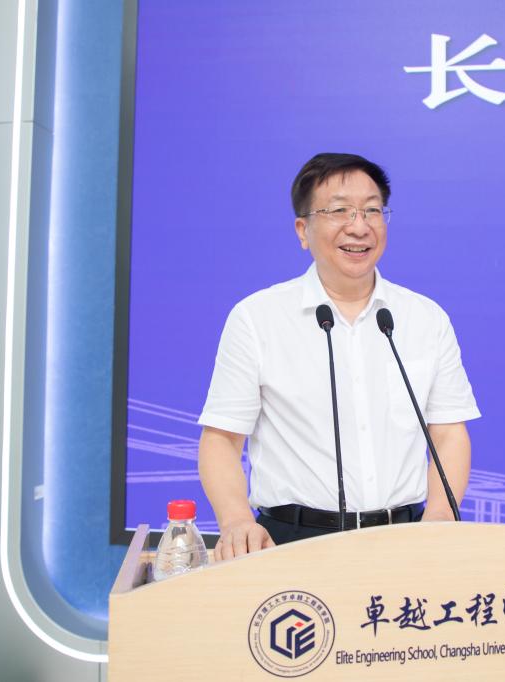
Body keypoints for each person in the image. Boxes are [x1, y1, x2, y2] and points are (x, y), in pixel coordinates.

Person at [197, 153, 480, 560]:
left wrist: (439, 515)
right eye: (339, 211)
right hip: (291, 541)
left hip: (407, 541)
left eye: (371, 210)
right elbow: (222, 439)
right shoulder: (257, 318)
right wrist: (236, 520)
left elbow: (448, 433)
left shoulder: (425, 318)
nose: (359, 226)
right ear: (303, 230)